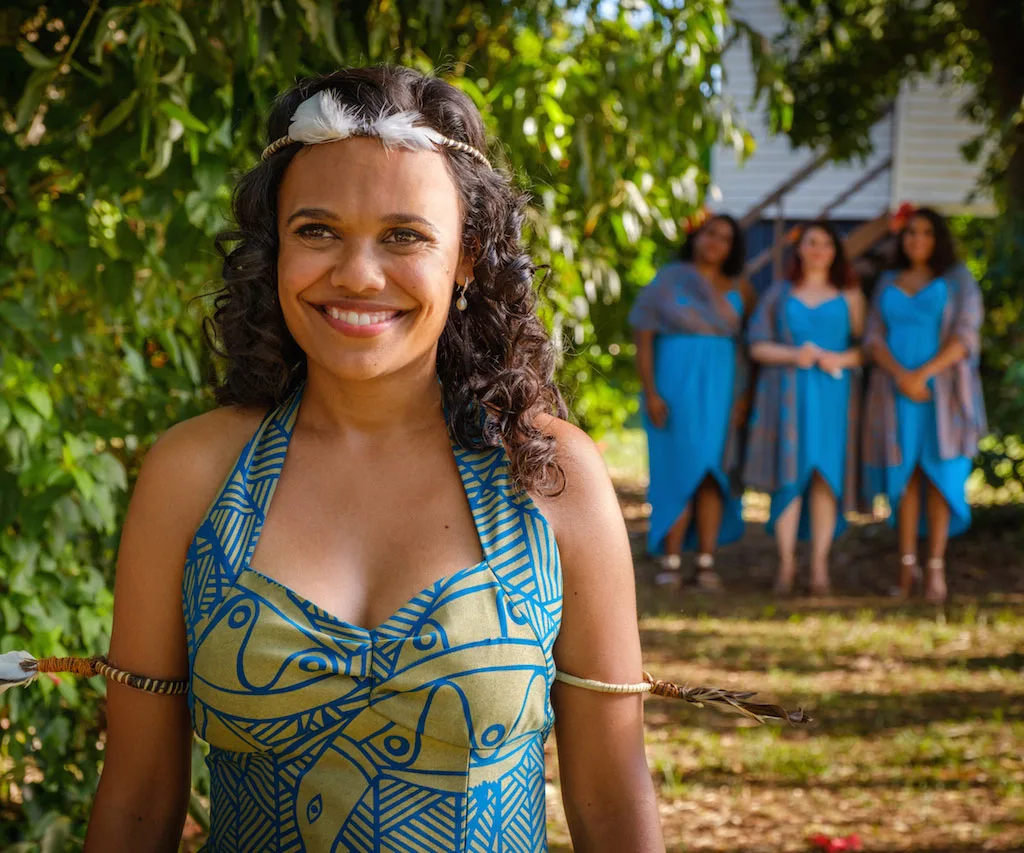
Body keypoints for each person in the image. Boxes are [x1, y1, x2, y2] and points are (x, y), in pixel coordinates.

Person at [82, 66, 664, 852]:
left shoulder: (548, 477)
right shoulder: (195, 475)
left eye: (405, 236)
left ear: (468, 258)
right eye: (316, 230)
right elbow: (137, 802)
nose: (356, 273)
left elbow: (613, 803)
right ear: (274, 246)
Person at [862, 206, 986, 604]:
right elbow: (872, 337)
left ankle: (935, 569)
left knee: (940, 478)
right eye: (911, 232)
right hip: (896, 391)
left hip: (942, 393)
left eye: (926, 233)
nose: (917, 239)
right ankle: (905, 567)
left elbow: (966, 335)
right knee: (905, 479)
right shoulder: (886, 281)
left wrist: (924, 374)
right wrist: (902, 376)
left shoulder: (958, 280)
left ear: (939, 238)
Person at [630, 213, 755, 590]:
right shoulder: (667, 282)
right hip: (674, 386)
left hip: (722, 390)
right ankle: (669, 558)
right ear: (696, 237)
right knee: (676, 469)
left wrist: (744, 396)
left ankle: (705, 561)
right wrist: (651, 391)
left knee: (713, 473)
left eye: (725, 238)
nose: (715, 242)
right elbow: (644, 337)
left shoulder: (741, 289)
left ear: (733, 248)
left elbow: (746, 349)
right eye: (710, 234)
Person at [745, 222, 865, 596]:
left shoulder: (850, 295)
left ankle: (819, 568)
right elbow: (757, 345)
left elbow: (867, 348)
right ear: (799, 249)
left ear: (835, 251)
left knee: (826, 478)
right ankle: (785, 565)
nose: (819, 249)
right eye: (812, 242)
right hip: (788, 394)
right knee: (789, 475)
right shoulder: (780, 294)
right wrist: (795, 354)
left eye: (827, 243)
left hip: (833, 395)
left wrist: (839, 359)